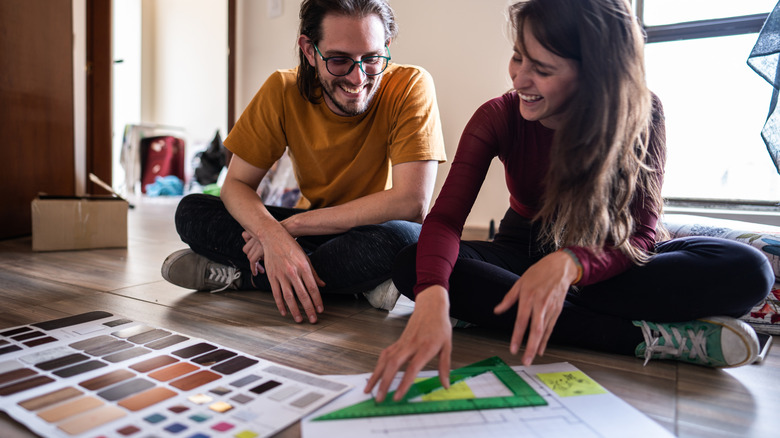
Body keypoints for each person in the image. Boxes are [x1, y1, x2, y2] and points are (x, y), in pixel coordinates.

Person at [365, 0, 774, 402]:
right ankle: (643, 336)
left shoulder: (643, 113)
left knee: (750, 269)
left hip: (610, 260)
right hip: (522, 249)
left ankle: (532, 310)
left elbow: (643, 233)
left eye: (541, 69)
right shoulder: (497, 116)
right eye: (517, 58)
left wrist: (573, 265)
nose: (519, 79)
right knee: (412, 265)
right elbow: (447, 219)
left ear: (596, 74)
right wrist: (434, 294)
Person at [161, 0, 446, 325]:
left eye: (371, 58)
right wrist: (273, 236)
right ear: (309, 50)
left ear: (386, 47)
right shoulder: (282, 90)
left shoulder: (411, 85)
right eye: (339, 60)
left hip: (374, 230)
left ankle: (249, 278)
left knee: (404, 240)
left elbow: (412, 202)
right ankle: (357, 285)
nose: (357, 78)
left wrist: (287, 231)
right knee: (192, 211)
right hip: (318, 233)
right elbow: (236, 184)